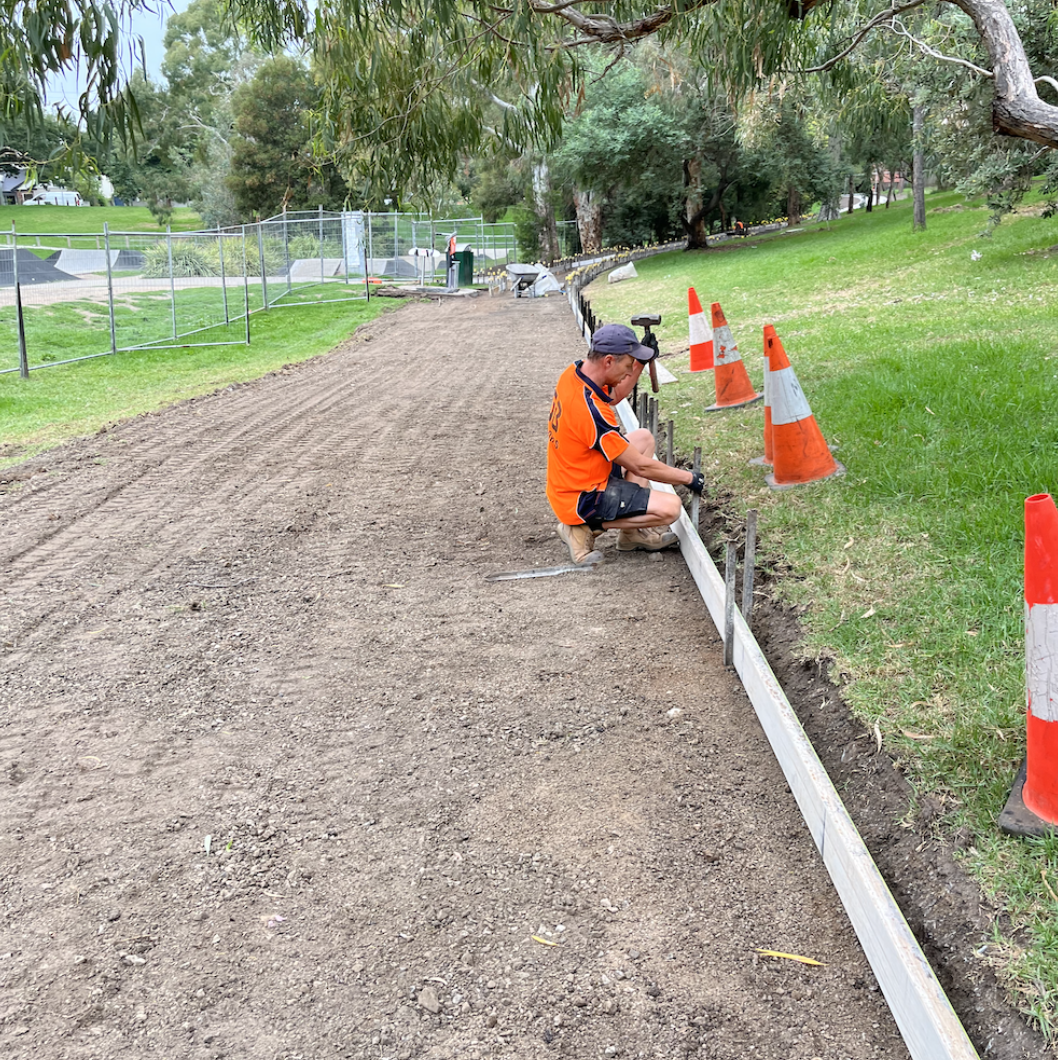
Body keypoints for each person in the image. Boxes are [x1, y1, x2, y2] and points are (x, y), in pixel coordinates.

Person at [546, 323, 706, 566]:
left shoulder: (577, 373)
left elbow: (615, 395)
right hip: (580, 495)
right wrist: (688, 478)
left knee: (643, 438)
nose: (630, 371)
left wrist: (641, 361)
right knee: (670, 508)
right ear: (609, 361)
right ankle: (582, 527)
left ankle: (631, 535)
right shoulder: (590, 412)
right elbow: (640, 466)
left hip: (578, 474)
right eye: (628, 365)